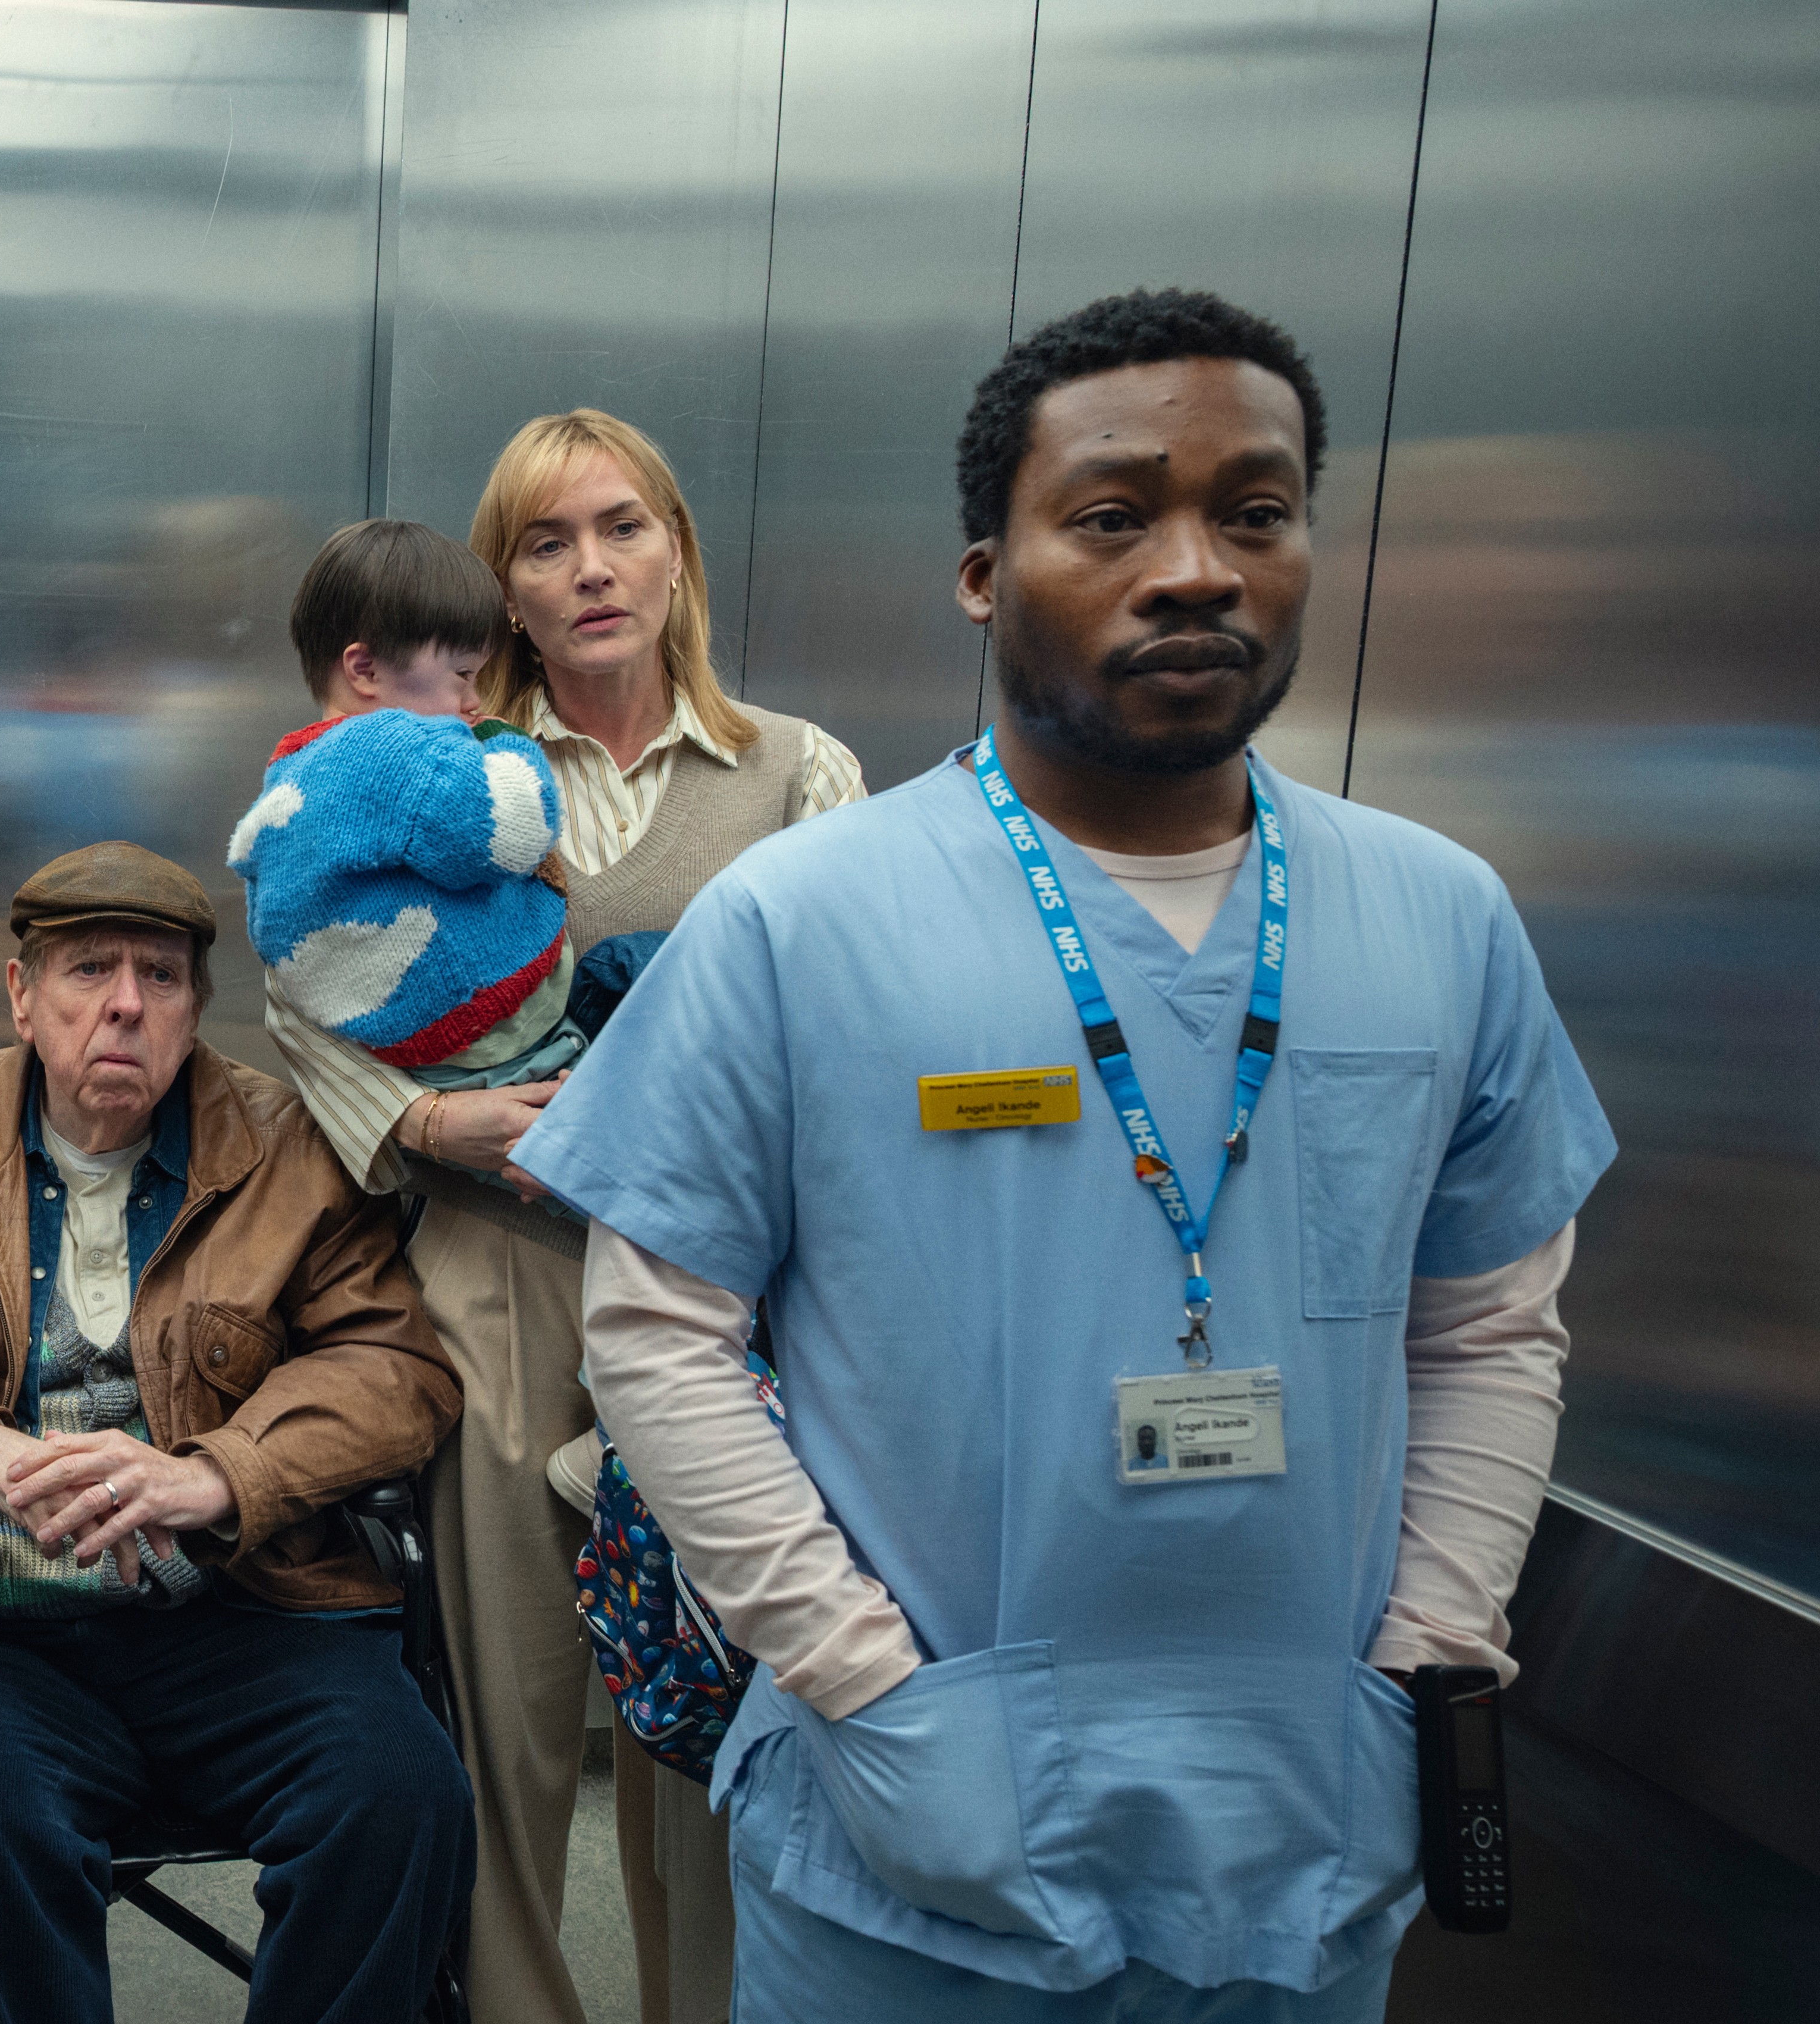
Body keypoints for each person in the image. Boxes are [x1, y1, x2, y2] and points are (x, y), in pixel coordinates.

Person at [519, 289, 1614, 2022]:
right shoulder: (805, 924)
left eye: (1253, 512)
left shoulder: (1438, 923)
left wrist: (1427, 1662)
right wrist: (863, 1687)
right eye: (1112, 517)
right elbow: (658, 1333)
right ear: (985, 572)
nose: (1193, 566)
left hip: (1299, 1848)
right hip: (906, 1862)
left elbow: (1486, 1329)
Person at [262, 411, 867, 2024]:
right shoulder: (437, 766)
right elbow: (310, 981)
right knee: (508, 1725)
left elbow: (850, 1033)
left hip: (735, 1305)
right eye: (544, 544)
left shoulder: (801, 775)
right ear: (502, 595)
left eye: (621, 527)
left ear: (679, 549)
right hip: (494, 1274)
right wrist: (430, 1119)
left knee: (718, 1727)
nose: (591, 570)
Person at [0, 843, 472, 2024]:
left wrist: (216, 1479)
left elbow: (393, 1368)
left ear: (194, 1007)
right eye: (88, 970)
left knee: (403, 1795)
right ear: (23, 996)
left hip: (258, 1617)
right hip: (10, 1637)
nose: (125, 1002)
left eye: (161, 975)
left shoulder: (286, 1148)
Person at [231, 518, 660, 1133]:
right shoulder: (392, 751)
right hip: (506, 1044)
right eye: (463, 674)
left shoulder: (291, 775)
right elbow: (513, 831)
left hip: (433, 1063)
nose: (474, 701)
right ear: (365, 670)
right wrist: (503, 743)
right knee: (649, 968)